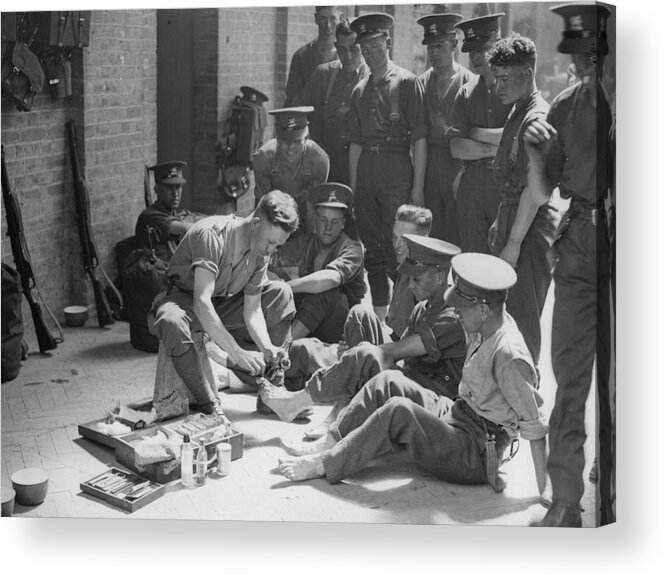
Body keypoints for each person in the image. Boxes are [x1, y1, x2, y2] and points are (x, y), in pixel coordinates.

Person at [276, 252, 549, 505]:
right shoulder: (487, 321)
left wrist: (545, 491)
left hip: (475, 449)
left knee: (399, 411)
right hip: (458, 412)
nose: (456, 314)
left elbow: (535, 425)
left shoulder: (509, 356)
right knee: (388, 383)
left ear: (484, 310)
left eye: (462, 310)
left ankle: (326, 463)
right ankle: (332, 440)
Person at [526, 4, 614, 528]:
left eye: (594, 54)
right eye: (579, 53)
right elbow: (542, 189)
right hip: (581, 239)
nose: (584, 63)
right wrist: (540, 157)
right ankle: (565, 499)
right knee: (571, 375)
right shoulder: (567, 104)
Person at [259, 234, 466, 426]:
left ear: (440, 278)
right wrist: (352, 359)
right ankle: (345, 401)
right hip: (408, 379)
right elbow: (401, 358)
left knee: (365, 354)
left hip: (429, 400)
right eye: (410, 278)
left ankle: (302, 404)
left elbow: (393, 352)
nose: (410, 285)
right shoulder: (423, 307)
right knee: (360, 314)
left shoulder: (451, 318)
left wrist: (354, 358)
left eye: (417, 279)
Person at [148, 190, 299, 416]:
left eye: (277, 246)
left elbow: (253, 309)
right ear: (256, 223)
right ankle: (209, 404)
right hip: (183, 300)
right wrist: (237, 353)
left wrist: (267, 348)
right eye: (270, 242)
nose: (271, 251)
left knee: (281, 292)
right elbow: (201, 303)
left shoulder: (260, 254)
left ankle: (272, 390)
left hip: (220, 302)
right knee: (172, 322)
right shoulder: (212, 235)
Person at [347, 12, 428, 324]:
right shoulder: (359, 90)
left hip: (396, 169)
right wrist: (355, 190)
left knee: (400, 247)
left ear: (388, 43)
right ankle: (379, 321)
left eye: (375, 47)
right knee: (373, 249)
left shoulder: (408, 83)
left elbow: (419, 139)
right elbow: (355, 144)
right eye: (364, 49)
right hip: (367, 170)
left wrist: (417, 187)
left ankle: (403, 319)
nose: (369, 54)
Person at [486, 33, 560, 364]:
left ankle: (527, 404)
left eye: (504, 78)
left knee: (523, 317)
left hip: (531, 227)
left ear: (527, 75)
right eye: (495, 78)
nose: (497, 85)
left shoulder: (536, 117)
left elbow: (534, 189)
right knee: (508, 314)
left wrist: (513, 242)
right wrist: (499, 222)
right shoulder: (519, 109)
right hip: (514, 218)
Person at [270, 183, 365, 344]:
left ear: (343, 224)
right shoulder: (303, 244)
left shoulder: (352, 249)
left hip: (342, 330)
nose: (328, 228)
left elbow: (330, 279)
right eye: (323, 220)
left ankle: (281, 348)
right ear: (315, 220)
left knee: (325, 291)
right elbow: (269, 263)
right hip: (308, 324)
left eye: (335, 222)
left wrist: (286, 287)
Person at [449, 13, 512, 254]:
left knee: (501, 257)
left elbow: (517, 137)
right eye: (472, 50)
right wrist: (497, 147)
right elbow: (456, 147)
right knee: (472, 256)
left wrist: (476, 132)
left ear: (498, 43)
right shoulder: (465, 93)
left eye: (483, 48)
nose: (477, 57)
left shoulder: (512, 89)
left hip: (503, 185)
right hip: (472, 184)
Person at [417, 13, 473, 244]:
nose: (434, 53)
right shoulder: (420, 84)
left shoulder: (470, 82)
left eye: (439, 45)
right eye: (430, 47)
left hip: (457, 168)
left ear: (454, 45)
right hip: (428, 167)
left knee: (456, 236)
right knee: (430, 237)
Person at [291, 17, 368, 185]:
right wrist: (305, 145)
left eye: (354, 49)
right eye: (341, 49)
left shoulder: (373, 78)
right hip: (323, 167)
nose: (347, 57)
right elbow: (295, 110)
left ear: (363, 46)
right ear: (335, 47)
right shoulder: (323, 75)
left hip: (361, 169)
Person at [253, 107, 330, 234]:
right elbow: (262, 209)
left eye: (297, 141)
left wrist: (310, 246)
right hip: (273, 215)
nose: (290, 148)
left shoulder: (319, 160)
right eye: (285, 141)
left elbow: (315, 210)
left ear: (306, 139)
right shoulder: (264, 158)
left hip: (305, 214)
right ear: (277, 140)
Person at [135, 161, 194, 263]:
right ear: (157, 190)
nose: (175, 193)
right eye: (169, 187)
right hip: (153, 276)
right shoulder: (150, 216)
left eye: (178, 187)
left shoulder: (173, 214)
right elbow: (185, 228)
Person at [284, 6, 343, 107]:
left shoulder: (346, 56)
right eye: (323, 18)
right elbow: (292, 99)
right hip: (309, 119)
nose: (328, 25)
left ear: (340, 19)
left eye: (332, 18)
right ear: (316, 19)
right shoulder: (302, 56)